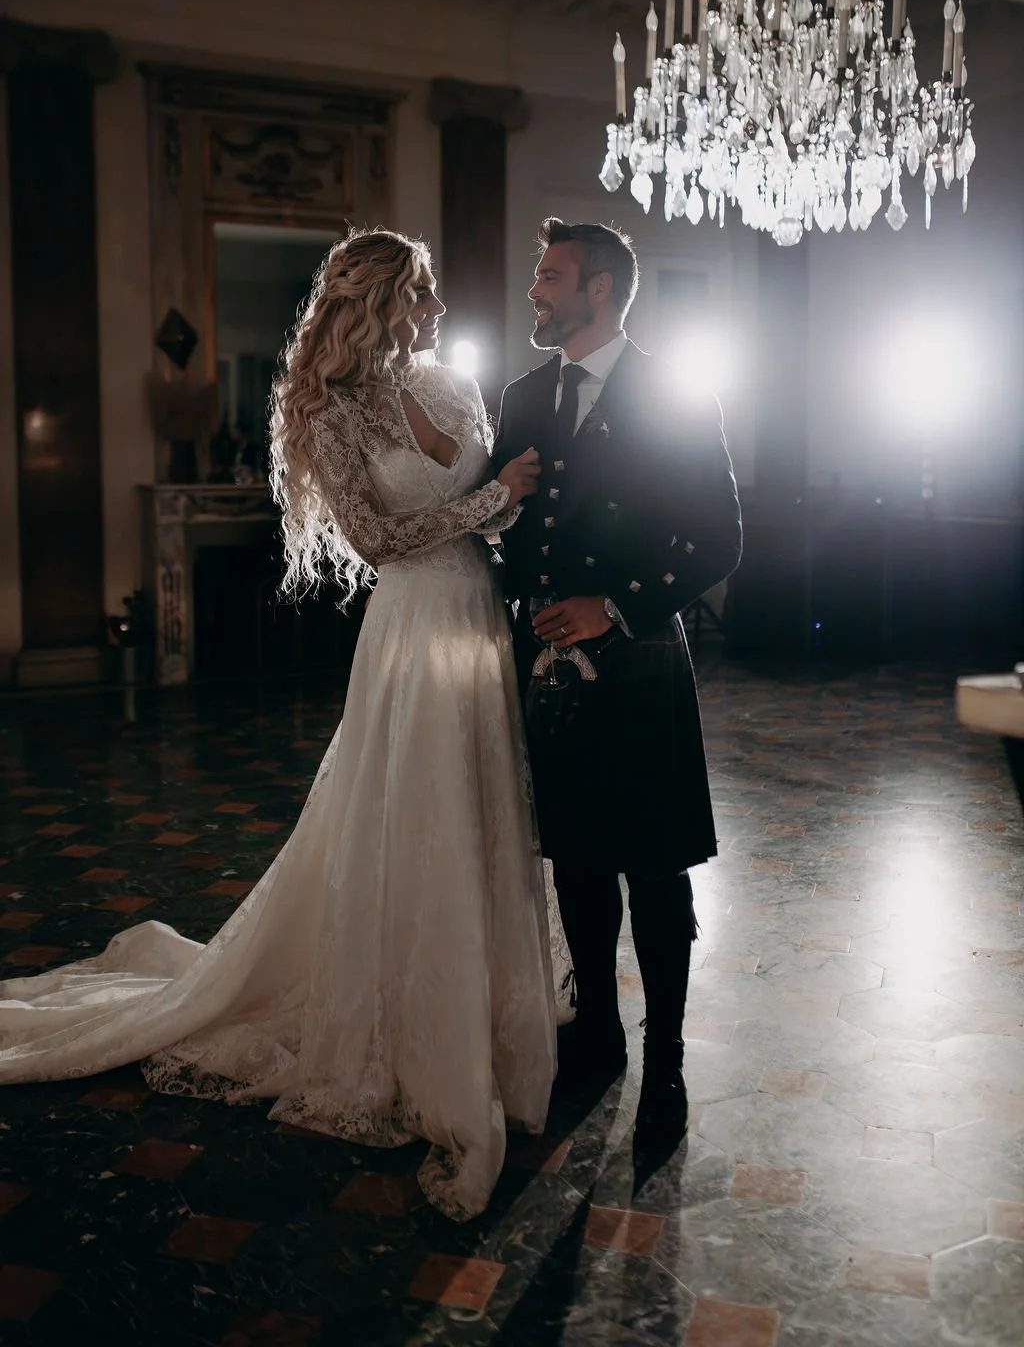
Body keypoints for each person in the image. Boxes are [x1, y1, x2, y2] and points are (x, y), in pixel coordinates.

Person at [0, 229, 557, 1222]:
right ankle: (410, 1013)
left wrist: (506, 504)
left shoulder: (451, 385)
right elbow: (378, 539)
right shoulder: (330, 411)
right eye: (422, 295)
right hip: (411, 626)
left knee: (481, 802)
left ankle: (483, 1002)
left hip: (478, 623)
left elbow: (497, 517)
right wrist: (490, 494)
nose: (437, 311)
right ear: (382, 302)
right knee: (417, 806)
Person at [493, 217, 742, 1168]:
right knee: (578, 861)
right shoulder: (523, 396)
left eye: (551, 277)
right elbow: (511, 530)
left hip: (639, 662)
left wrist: (618, 607)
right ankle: (595, 1027)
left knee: (655, 866)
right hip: (549, 668)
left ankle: (665, 1058)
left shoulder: (675, 392)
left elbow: (718, 538)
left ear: (599, 289)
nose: (536, 292)